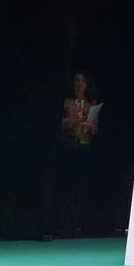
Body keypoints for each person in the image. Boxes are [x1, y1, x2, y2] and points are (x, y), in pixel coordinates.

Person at [54, 71, 99, 237]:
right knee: (65, 185)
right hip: (68, 146)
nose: (79, 84)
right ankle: (60, 226)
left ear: (87, 84)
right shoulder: (67, 102)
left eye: (82, 81)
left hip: (84, 147)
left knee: (79, 187)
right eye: (76, 80)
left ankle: (76, 225)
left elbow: (95, 127)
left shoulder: (90, 104)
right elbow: (60, 122)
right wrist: (75, 121)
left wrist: (91, 126)